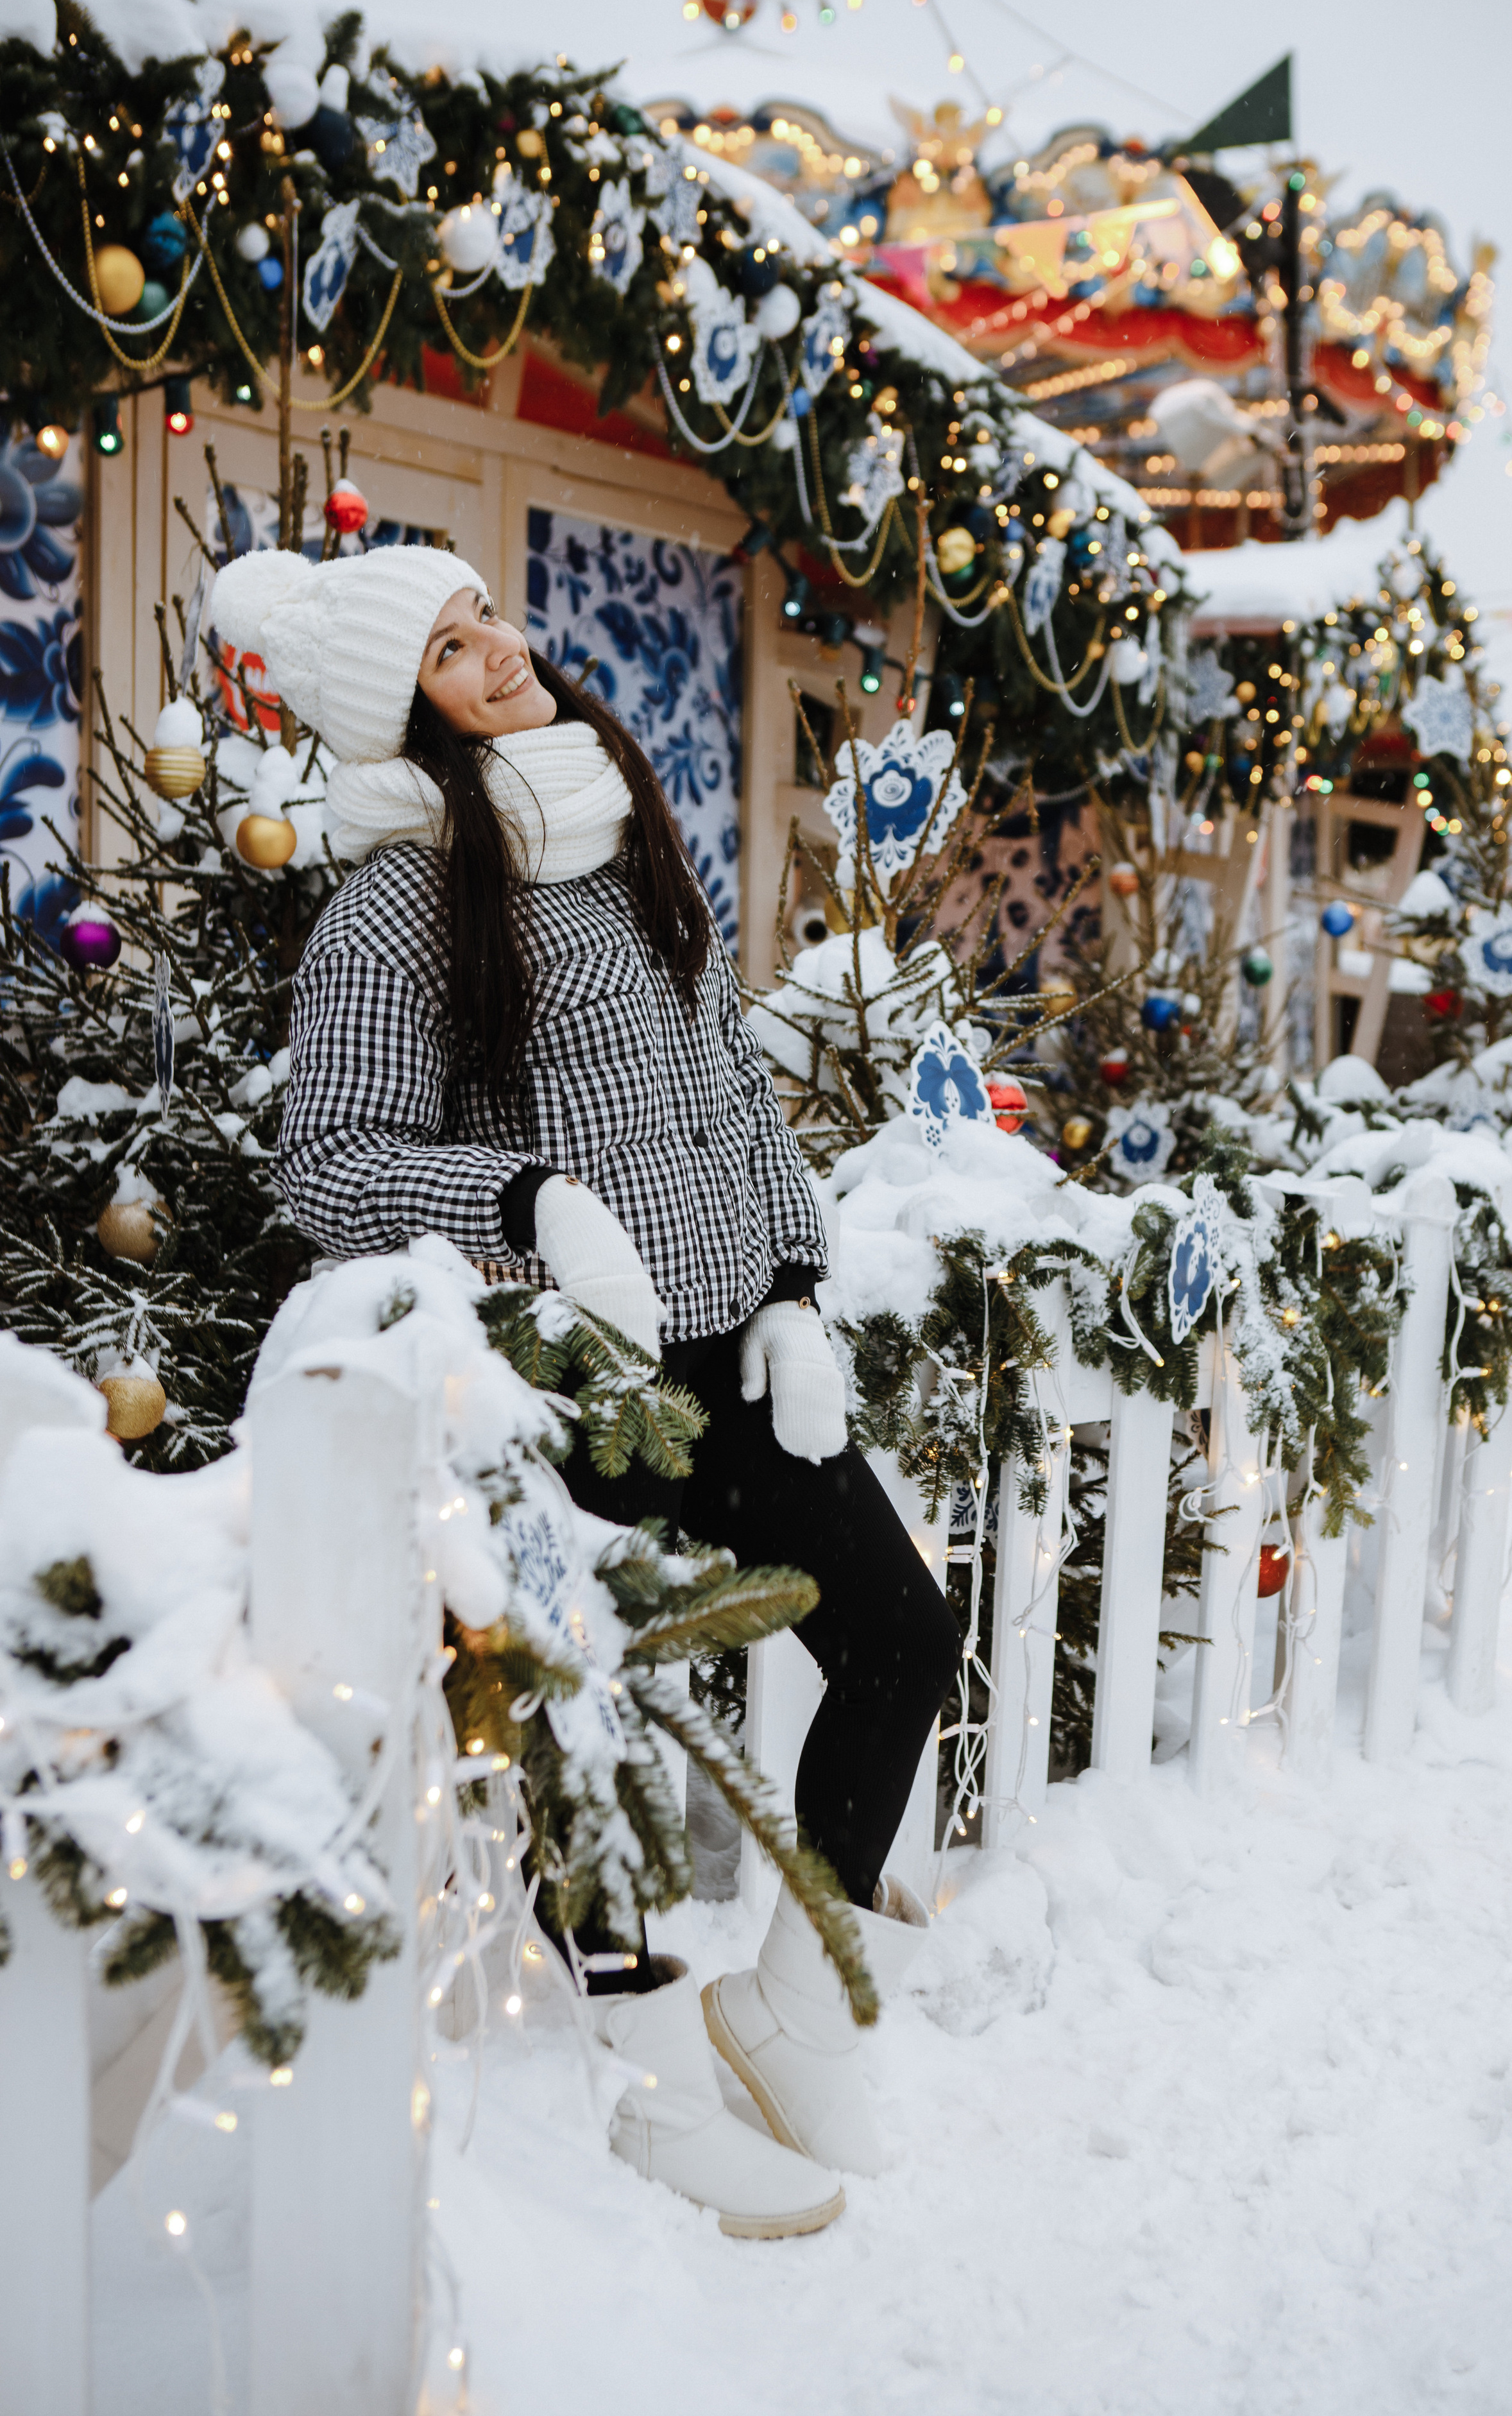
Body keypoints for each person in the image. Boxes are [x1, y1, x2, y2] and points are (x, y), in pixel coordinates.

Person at [209, 543, 958, 2241]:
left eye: (488, 622)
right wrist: (526, 1205)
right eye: (447, 649)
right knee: (590, 1740)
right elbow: (329, 1163)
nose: (497, 656)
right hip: (570, 1384)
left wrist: (791, 1290)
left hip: (725, 1353)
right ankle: (640, 2082)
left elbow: (733, 1100)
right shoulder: (401, 898)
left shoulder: (613, 837)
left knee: (905, 1634)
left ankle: (791, 1999)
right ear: (397, 706)